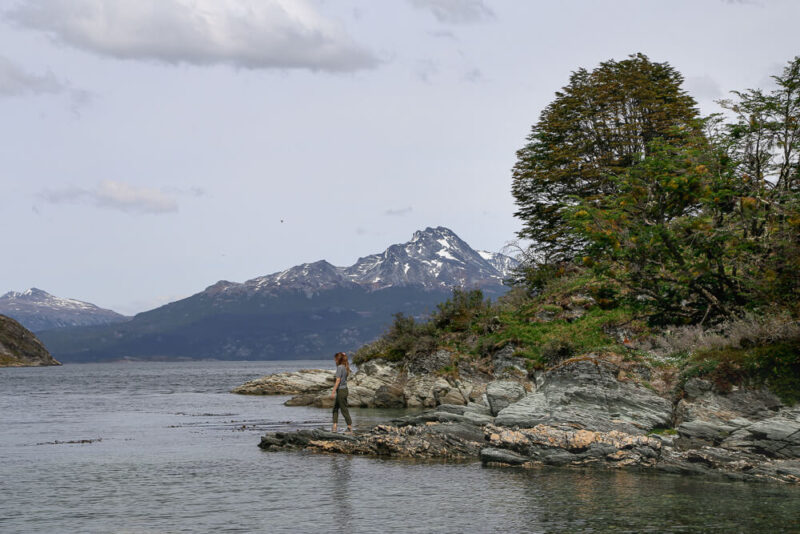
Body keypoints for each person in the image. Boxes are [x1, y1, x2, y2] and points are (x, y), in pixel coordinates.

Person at [330, 351, 353, 433]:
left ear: (338, 359)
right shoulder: (345, 367)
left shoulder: (340, 367)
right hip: (344, 390)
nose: (334, 361)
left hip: (341, 391)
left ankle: (349, 427)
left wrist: (333, 392)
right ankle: (334, 427)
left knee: (343, 409)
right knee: (335, 408)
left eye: (335, 359)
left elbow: (338, 380)